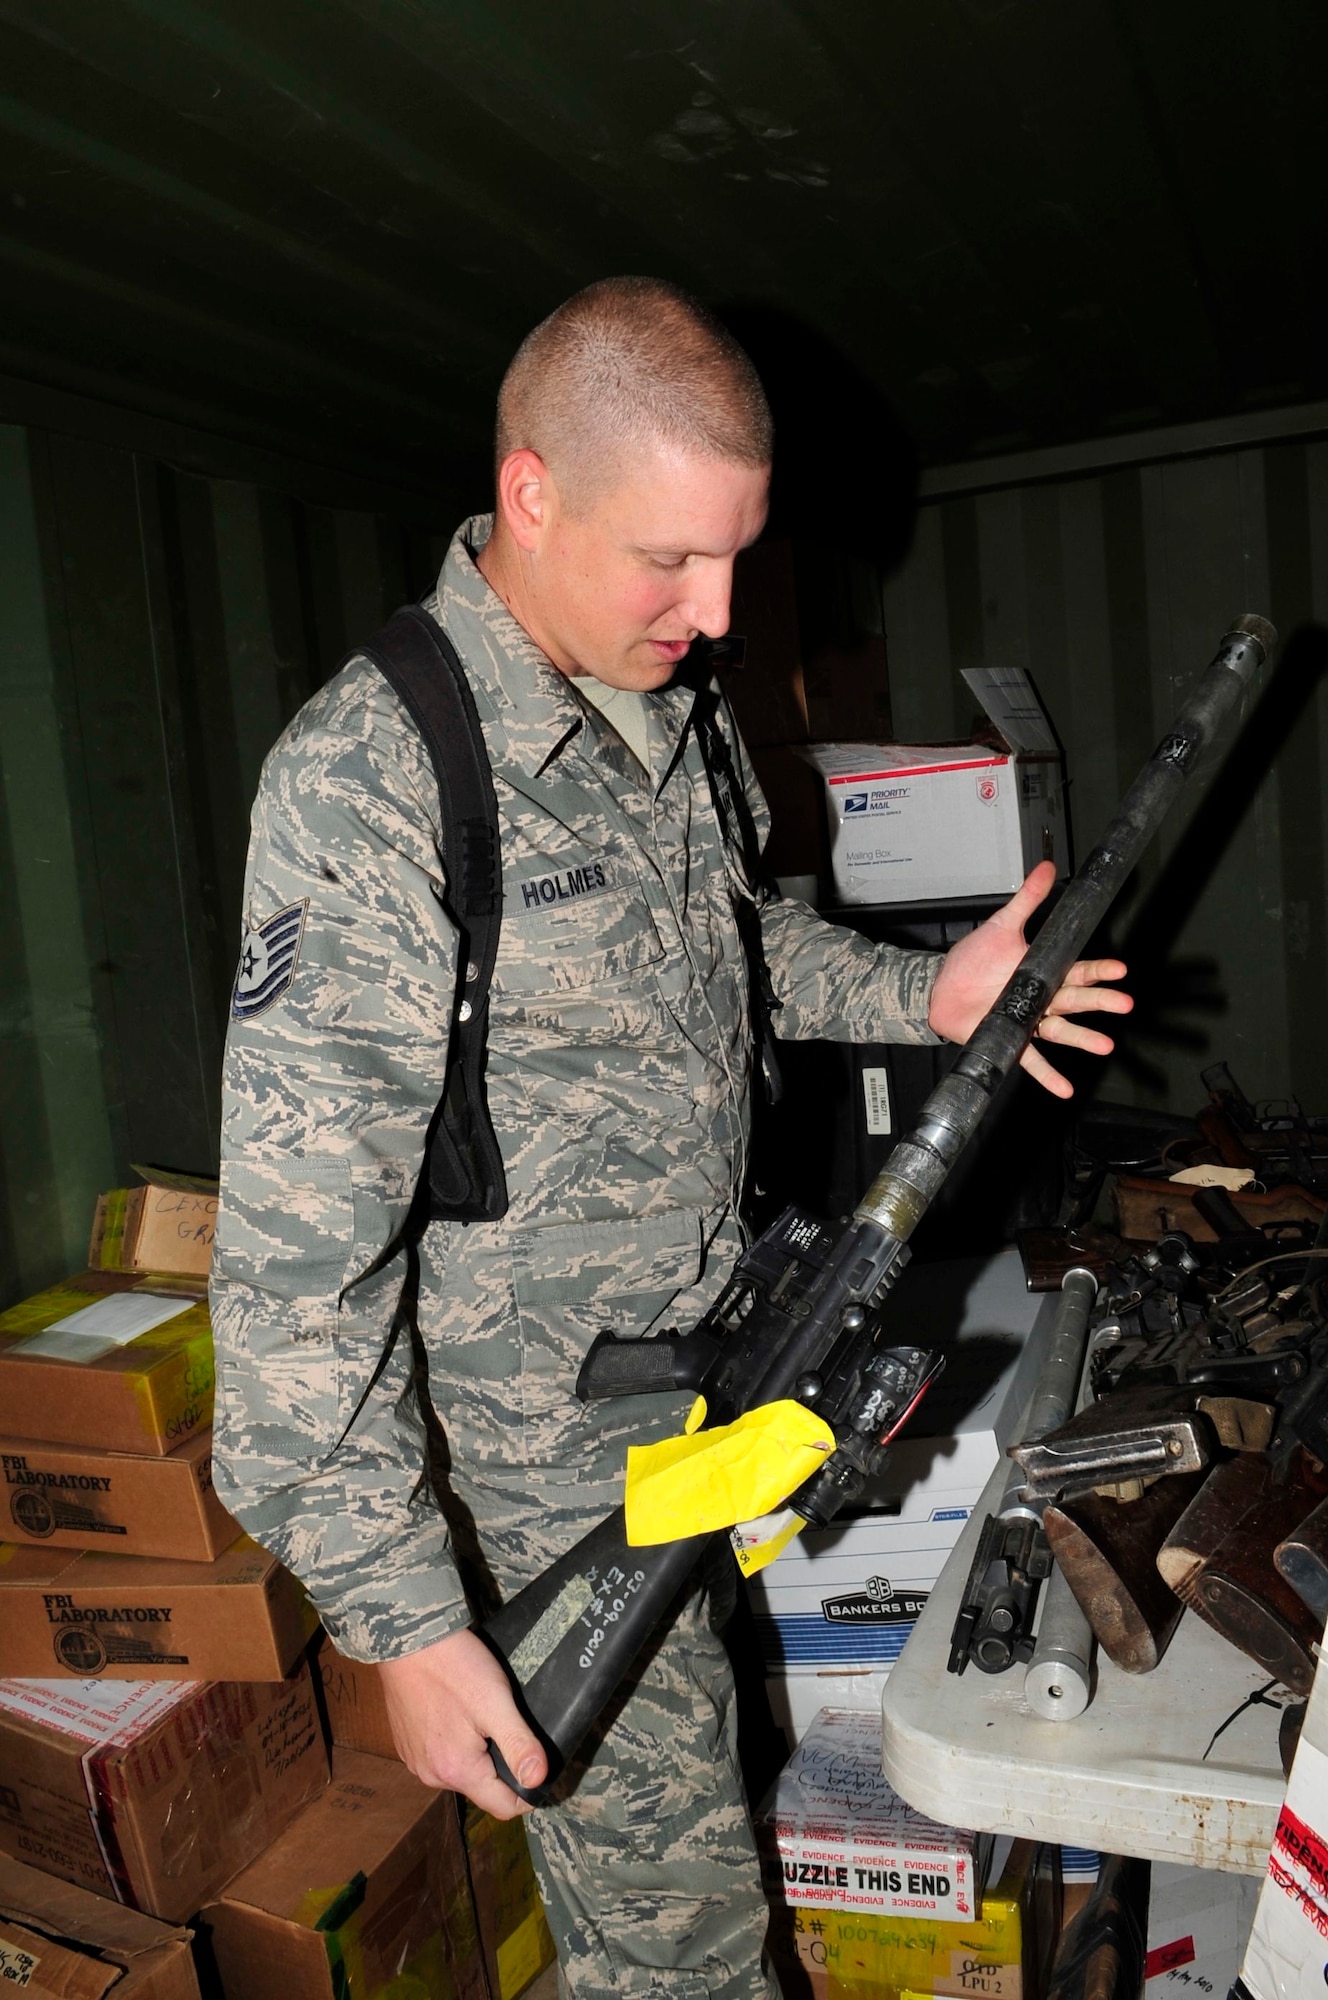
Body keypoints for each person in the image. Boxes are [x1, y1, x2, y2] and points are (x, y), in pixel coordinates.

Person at [211, 277, 1130, 1999]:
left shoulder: (661, 697)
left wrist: (924, 997)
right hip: (541, 1456)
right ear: (533, 489)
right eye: (673, 562)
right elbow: (285, 1281)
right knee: (681, 1936)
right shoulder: (373, 780)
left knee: (697, 1796)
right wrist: (400, 1619)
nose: (715, 615)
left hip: (697, 1382)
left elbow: (734, 941)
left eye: (738, 559)